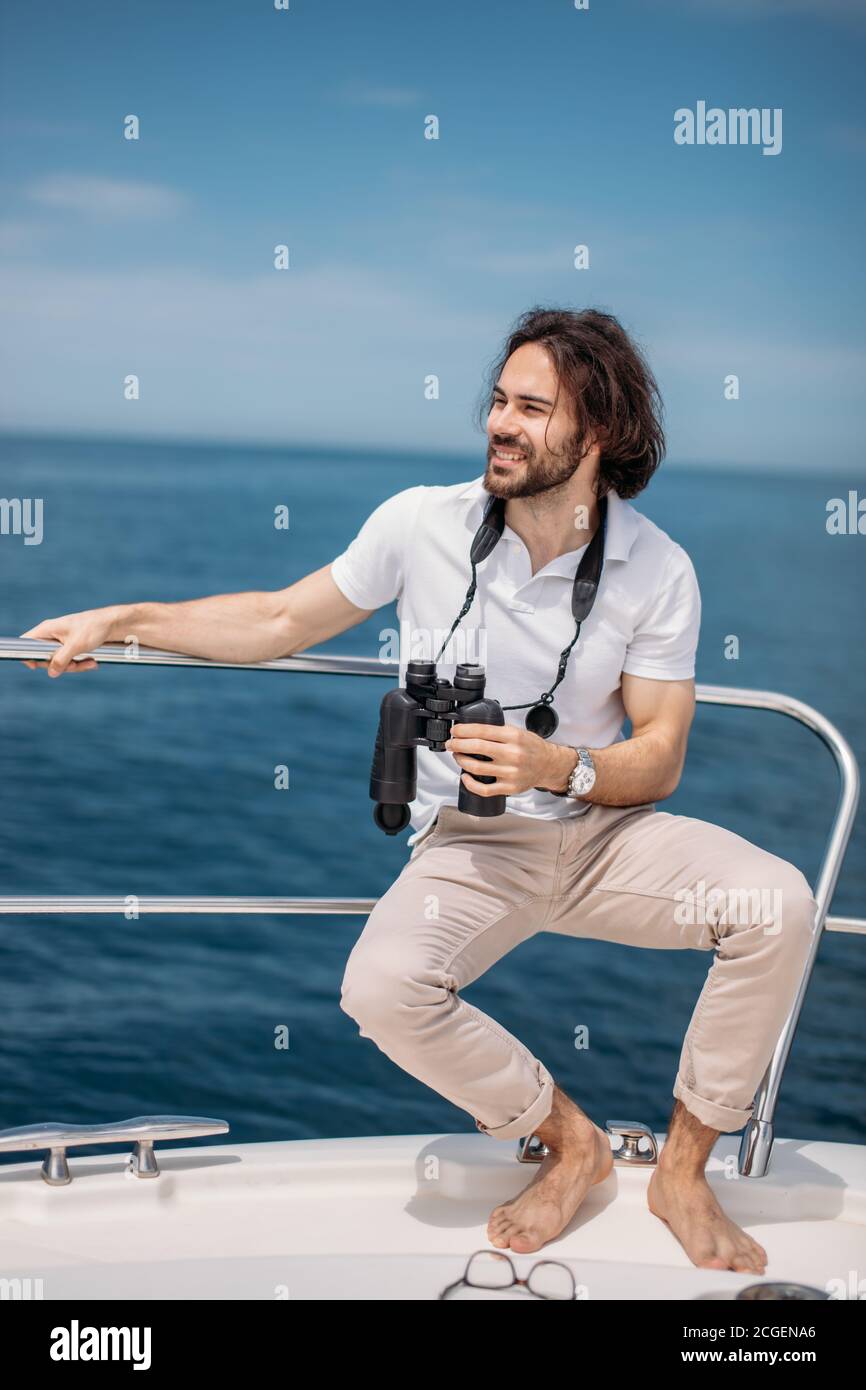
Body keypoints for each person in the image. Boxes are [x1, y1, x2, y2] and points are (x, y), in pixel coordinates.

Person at [22, 307, 816, 1274]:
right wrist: (123, 618)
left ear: (595, 433)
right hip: (473, 844)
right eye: (497, 400)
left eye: (531, 408)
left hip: (607, 832)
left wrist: (556, 765)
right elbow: (277, 619)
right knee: (383, 991)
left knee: (778, 904)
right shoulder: (421, 523)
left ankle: (686, 1170)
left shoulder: (659, 567)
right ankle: (569, 1141)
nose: (498, 422)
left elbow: (661, 754)